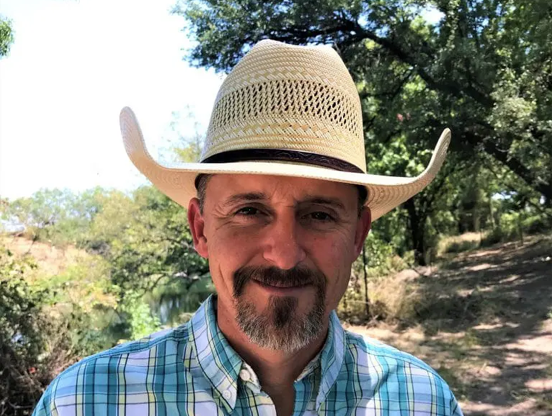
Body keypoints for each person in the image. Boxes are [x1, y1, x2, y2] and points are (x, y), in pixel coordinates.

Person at [33, 40, 462, 416]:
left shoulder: (423, 402)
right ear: (200, 228)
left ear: (357, 235)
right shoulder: (83, 402)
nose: (284, 255)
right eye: (249, 211)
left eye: (319, 215)